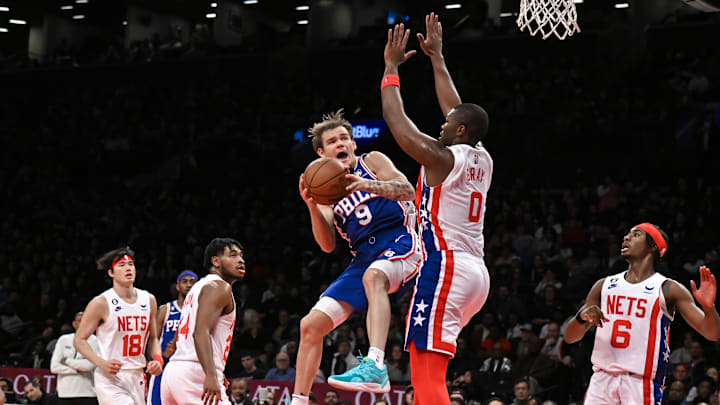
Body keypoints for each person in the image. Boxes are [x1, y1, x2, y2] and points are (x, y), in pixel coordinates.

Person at [382, 14, 492, 405]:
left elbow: (398, 124)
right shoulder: (482, 156)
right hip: (476, 273)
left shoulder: (442, 158)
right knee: (431, 367)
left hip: (446, 265)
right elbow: (458, 108)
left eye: (449, 125)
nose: (442, 125)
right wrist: (437, 58)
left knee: (424, 371)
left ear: (460, 131)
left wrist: (391, 69)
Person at [291, 109, 422, 403]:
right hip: (363, 257)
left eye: (344, 139)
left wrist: (367, 184)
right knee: (309, 325)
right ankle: (298, 400)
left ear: (353, 145)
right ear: (321, 153)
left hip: (400, 238)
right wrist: (312, 206)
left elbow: (408, 190)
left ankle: (375, 364)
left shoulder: (371, 161)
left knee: (373, 276)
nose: (341, 144)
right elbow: (327, 245)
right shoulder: (325, 192)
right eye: (333, 141)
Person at [564, 223, 720, 404]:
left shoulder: (668, 288)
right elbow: (570, 337)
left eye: (636, 234)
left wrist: (709, 308)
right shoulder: (603, 285)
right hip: (601, 379)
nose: (626, 237)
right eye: (628, 234)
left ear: (653, 247)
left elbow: (712, 333)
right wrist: (581, 318)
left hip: (640, 382)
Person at [161, 238, 245, 405]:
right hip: (195, 373)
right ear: (216, 261)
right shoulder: (219, 287)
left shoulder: (198, 287)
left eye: (242, 256)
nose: (241, 260)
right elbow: (200, 332)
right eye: (233, 255)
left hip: (174, 372)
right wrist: (211, 375)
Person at [73, 247, 163, 405]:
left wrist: (157, 359)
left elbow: (153, 338)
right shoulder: (101, 302)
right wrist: (101, 362)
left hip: (137, 375)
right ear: (111, 273)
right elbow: (79, 340)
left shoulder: (149, 299)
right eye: (122, 265)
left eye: (131, 264)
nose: (128, 268)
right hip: (111, 377)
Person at [147, 270, 198, 405]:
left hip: (188, 368)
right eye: (185, 281)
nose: (188, 285)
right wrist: (156, 359)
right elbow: (153, 339)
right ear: (177, 286)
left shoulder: (201, 313)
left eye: (192, 282)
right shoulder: (166, 309)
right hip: (165, 366)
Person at [50, 311, 99, 404]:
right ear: (74, 324)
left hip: (88, 393)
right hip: (65, 394)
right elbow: (54, 367)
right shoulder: (63, 340)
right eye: (80, 320)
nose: (83, 322)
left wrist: (67, 361)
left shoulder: (95, 341)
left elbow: (89, 366)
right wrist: (76, 370)